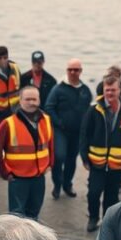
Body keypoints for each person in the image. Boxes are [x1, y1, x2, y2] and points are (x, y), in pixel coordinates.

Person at [80, 75, 121, 233]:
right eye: (107, 90)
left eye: (113, 90)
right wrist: (84, 157)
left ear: (120, 91)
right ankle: (93, 218)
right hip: (96, 163)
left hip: (117, 164)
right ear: (103, 90)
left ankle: (107, 221)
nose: (110, 93)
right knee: (93, 193)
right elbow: (84, 134)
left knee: (112, 197)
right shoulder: (94, 110)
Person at [0, 86, 53, 220]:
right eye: (28, 99)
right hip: (18, 178)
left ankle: (31, 239)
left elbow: (50, 144)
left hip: (38, 176)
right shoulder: (8, 123)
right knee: (16, 216)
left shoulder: (46, 120)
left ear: (39, 100)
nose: (31, 102)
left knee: (34, 212)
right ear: (20, 101)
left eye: (34, 99)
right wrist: (4, 172)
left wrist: (50, 164)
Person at [44, 58, 93, 199]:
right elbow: (49, 107)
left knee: (72, 159)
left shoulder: (85, 90)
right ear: (66, 70)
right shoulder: (58, 89)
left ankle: (67, 185)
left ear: (80, 71)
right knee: (59, 156)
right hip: (60, 130)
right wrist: (59, 122)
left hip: (77, 132)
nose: (73, 72)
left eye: (76, 69)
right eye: (70, 69)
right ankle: (57, 185)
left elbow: (90, 110)